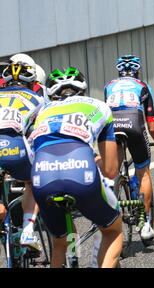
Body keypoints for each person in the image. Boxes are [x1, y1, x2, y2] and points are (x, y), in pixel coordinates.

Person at [28, 67, 122, 268]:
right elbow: (111, 170)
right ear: (83, 89)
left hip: (42, 177)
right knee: (113, 230)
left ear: (51, 94)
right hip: (80, 172)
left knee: (60, 243)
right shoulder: (100, 106)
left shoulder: (43, 111)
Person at [104, 55, 154, 243]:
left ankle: (111, 209)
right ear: (137, 71)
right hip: (134, 126)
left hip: (112, 128)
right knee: (143, 172)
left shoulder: (108, 86)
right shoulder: (142, 86)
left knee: (112, 173)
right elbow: (152, 125)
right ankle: (144, 225)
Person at [0, 57, 45, 252]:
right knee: (33, 181)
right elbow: (40, 131)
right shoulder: (38, 98)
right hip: (15, 146)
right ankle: (28, 230)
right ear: (33, 83)